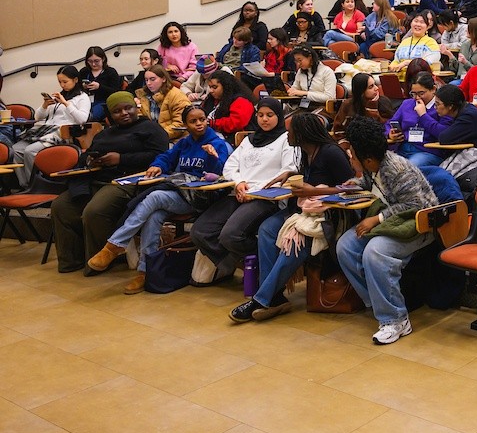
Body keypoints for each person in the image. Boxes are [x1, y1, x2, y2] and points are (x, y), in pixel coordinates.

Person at [87, 104, 232, 294]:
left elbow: (221, 174)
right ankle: (145, 272)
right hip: (180, 192)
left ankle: (115, 244)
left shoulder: (217, 143)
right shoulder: (184, 143)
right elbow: (166, 157)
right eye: (193, 121)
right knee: (153, 217)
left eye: (202, 119)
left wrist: (213, 158)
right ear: (185, 125)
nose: (199, 124)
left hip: (202, 197)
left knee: (154, 197)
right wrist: (158, 166)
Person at [229, 112, 356, 323]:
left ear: (303, 134)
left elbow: (351, 189)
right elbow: (311, 176)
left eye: (290, 131)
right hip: (302, 210)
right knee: (267, 229)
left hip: (326, 216)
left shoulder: (331, 153)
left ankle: (261, 299)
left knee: (293, 241)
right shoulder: (305, 152)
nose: (286, 135)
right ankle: (275, 296)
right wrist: (290, 174)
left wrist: (312, 191)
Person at [333, 116, 441, 344]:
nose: (350, 154)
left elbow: (417, 205)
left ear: (368, 159)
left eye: (352, 152)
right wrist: (353, 184)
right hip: (394, 222)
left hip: (421, 224)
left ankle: (396, 319)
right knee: (345, 246)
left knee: (375, 251)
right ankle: (377, 302)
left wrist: (377, 218)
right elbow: (371, 184)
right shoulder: (374, 166)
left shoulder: (398, 169)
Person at [50, 92, 170, 274]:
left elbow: (160, 156)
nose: (123, 113)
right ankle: (71, 261)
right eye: (117, 111)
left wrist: (121, 159)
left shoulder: (151, 128)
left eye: (127, 108)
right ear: (110, 115)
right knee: (61, 206)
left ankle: (98, 261)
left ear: (135, 107)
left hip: (130, 181)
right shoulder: (105, 133)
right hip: (98, 178)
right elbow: (87, 154)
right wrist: (90, 160)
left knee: (95, 210)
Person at [190, 98, 302, 283]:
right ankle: (232, 262)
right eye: (260, 115)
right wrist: (239, 183)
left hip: (265, 197)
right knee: (199, 231)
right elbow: (230, 166)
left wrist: (253, 191)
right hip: (238, 192)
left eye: (270, 115)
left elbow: (287, 172)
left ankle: (265, 262)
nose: (264, 119)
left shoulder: (286, 139)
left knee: (231, 235)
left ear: (279, 116)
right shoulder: (249, 140)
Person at [11, 65, 91, 188]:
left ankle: (35, 186)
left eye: (65, 81)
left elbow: (82, 119)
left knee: (30, 151)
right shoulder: (57, 96)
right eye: (60, 82)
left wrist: (65, 103)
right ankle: (25, 184)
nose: (62, 85)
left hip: (63, 132)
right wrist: (44, 105)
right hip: (45, 129)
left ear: (75, 80)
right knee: (16, 149)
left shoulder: (82, 97)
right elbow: (38, 117)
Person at [387, 71, 452, 166]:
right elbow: (390, 123)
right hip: (403, 147)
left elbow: (444, 133)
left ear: (433, 89)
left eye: (421, 93)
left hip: (427, 151)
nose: (417, 98)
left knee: (409, 167)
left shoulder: (442, 106)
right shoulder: (407, 104)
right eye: (413, 94)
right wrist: (390, 134)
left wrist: (423, 115)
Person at [134, 64, 191, 140]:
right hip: (150, 138)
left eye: (152, 79)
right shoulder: (143, 96)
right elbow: (139, 121)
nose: (148, 83)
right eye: (146, 80)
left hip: (175, 139)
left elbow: (179, 125)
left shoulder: (177, 96)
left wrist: (156, 136)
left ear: (164, 79)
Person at [202, 70, 256, 136]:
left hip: (229, 138)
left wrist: (212, 123)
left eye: (214, 87)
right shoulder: (211, 99)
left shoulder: (242, 101)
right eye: (210, 87)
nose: (211, 91)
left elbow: (235, 124)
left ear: (225, 86)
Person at [78, 45, 122, 121]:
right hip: (85, 101)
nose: (93, 64)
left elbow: (116, 91)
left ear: (103, 59)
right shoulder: (84, 71)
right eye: (90, 61)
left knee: (92, 116)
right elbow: (76, 87)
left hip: (104, 102)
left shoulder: (110, 72)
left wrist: (100, 87)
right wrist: (83, 87)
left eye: (96, 61)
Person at [156, 22, 198, 86]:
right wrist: (168, 65)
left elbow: (194, 68)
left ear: (181, 32)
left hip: (186, 78)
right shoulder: (162, 46)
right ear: (166, 35)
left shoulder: (192, 46)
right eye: (170, 32)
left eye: (176, 31)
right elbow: (158, 61)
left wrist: (183, 77)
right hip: (167, 77)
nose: (174, 34)